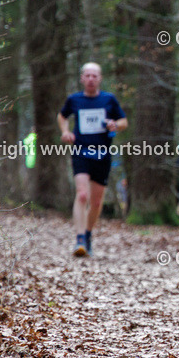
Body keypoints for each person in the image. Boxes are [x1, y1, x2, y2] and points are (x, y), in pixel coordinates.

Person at [57, 62, 128, 257]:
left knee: (96, 202)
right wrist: (65, 132)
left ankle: (87, 234)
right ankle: (79, 239)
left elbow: (124, 121)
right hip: (80, 151)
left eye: (94, 76)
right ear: (82, 78)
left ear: (100, 78)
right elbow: (62, 116)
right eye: (87, 75)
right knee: (82, 194)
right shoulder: (74, 99)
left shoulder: (108, 99)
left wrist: (115, 125)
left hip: (102, 154)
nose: (90, 79)